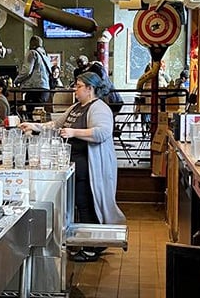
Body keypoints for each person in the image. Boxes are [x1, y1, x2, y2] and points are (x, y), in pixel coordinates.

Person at [21, 70, 125, 262]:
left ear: (90, 88)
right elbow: (57, 124)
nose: (75, 89)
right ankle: (84, 242)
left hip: (89, 164)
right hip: (73, 162)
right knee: (78, 203)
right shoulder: (77, 106)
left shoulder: (99, 108)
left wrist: (74, 132)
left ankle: (93, 246)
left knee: (86, 204)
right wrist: (34, 126)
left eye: (78, 86)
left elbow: (102, 132)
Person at [15, 35, 51, 120]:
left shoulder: (32, 53)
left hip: (34, 87)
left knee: (30, 114)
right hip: (45, 88)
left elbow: (27, 71)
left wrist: (16, 80)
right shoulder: (46, 56)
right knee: (39, 115)